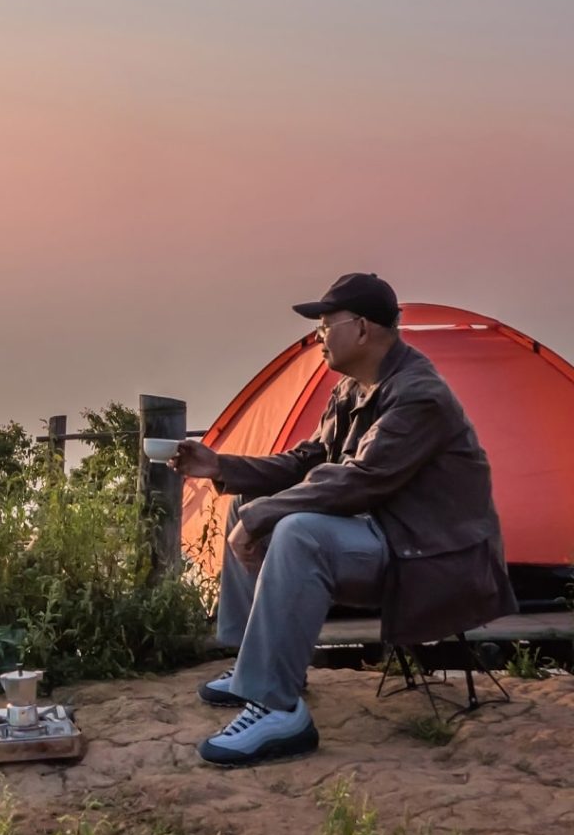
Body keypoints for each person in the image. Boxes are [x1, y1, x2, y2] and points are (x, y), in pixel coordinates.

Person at [172, 272, 517, 767]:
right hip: (384, 538)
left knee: (295, 531)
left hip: (430, 556)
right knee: (243, 504)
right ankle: (255, 667)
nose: (317, 339)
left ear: (361, 328)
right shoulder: (351, 391)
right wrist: (220, 467)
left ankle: (277, 709)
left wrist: (263, 515)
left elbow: (363, 479)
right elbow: (303, 463)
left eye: (324, 326)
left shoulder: (420, 395)